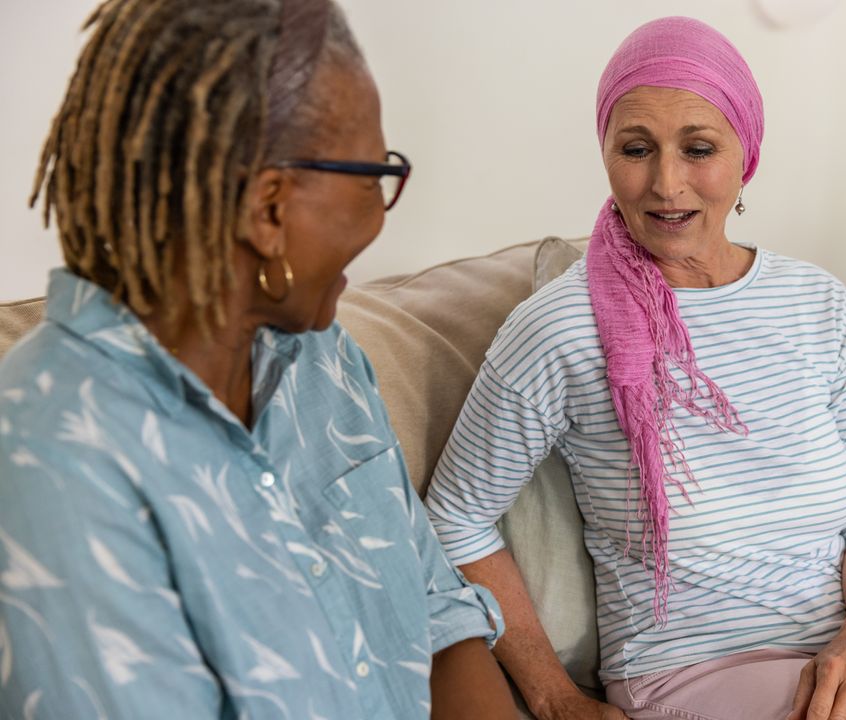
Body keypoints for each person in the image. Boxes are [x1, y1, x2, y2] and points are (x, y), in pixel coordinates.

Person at [424, 16, 846, 720]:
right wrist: (556, 700)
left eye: (698, 148)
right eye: (636, 149)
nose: (666, 184)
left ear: (747, 154)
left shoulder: (815, 300)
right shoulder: (561, 325)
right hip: (693, 669)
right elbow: (454, 518)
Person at [0, 1, 517, 718]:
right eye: (372, 177)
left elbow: (438, 617)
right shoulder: (47, 458)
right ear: (269, 209)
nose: (380, 210)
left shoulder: (320, 358)